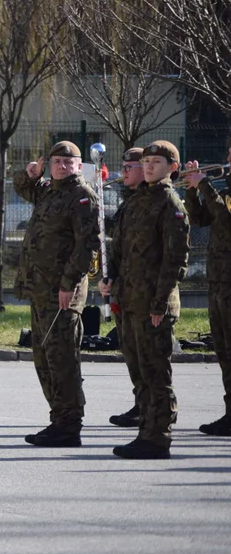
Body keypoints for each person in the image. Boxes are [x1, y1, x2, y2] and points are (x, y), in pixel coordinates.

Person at [100, 140, 189, 459]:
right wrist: (110, 280)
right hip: (130, 300)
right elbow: (120, 248)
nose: (149, 166)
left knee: (155, 374)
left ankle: (157, 438)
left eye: (157, 161)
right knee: (140, 372)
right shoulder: (136, 201)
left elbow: (175, 261)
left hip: (153, 304)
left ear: (172, 168)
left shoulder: (169, 204)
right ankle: (146, 432)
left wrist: (159, 304)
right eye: (147, 161)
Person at [14, 141, 100, 448]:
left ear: (79, 166)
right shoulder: (49, 191)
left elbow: (86, 246)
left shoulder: (81, 197)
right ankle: (58, 420)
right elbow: (23, 188)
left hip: (62, 292)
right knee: (45, 359)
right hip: (40, 290)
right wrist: (30, 174)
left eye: (68, 161)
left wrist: (69, 285)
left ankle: (69, 424)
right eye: (57, 161)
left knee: (62, 359)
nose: (62, 166)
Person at [182, 144, 231, 437]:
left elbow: (227, 221)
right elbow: (201, 220)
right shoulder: (224, 189)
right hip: (218, 282)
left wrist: (204, 184)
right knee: (224, 353)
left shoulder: (220, 190)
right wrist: (191, 189)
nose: (228, 159)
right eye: (228, 154)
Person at [108, 148, 147, 428]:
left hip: (145, 292)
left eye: (128, 168)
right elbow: (118, 241)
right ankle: (141, 405)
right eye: (123, 167)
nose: (124, 173)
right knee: (132, 354)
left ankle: (155, 412)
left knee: (149, 359)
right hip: (125, 289)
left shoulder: (153, 201)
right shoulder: (129, 202)